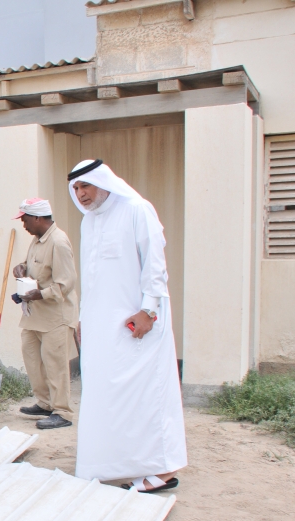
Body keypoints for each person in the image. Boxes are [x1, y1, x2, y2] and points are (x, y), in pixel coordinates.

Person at [68, 159, 187, 492]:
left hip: (138, 325)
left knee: (147, 395)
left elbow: (155, 264)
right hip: (101, 330)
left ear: (102, 182)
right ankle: (119, 465)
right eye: (76, 188)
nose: (81, 193)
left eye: (85, 186)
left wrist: (149, 311)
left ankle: (162, 471)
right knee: (108, 398)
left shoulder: (137, 209)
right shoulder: (88, 223)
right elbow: (91, 278)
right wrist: (83, 319)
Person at [9, 198, 79, 430]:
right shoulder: (37, 241)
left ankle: (63, 411)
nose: (23, 225)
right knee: (31, 356)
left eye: (25, 219)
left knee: (55, 364)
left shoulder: (58, 242)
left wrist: (39, 294)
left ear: (38, 218)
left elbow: (65, 284)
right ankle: (46, 402)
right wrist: (21, 268)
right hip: (35, 315)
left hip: (56, 316)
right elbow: (35, 268)